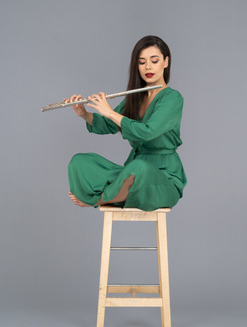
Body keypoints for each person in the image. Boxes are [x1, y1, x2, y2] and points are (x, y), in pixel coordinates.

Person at [66, 35, 187, 212]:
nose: (148, 67)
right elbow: (109, 124)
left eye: (154, 61)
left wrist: (109, 111)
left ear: (166, 62)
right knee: (79, 162)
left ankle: (97, 199)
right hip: (133, 171)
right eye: (142, 62)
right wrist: (84, 114)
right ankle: (117, 195)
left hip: (164, 179)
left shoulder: (172, 98)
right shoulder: (135, 97)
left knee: (138, 169)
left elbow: (147, 132)